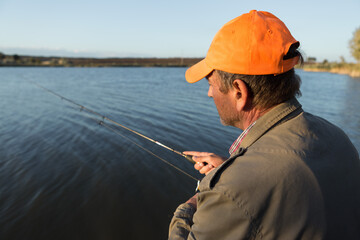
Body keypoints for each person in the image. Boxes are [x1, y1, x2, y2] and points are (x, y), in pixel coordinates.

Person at [168, 10, 360, 240]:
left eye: (211, 83)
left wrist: (199, 198)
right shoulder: (339, 138)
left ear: (239, 92)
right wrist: (229, 169)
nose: (209, 93)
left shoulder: (230, 191)